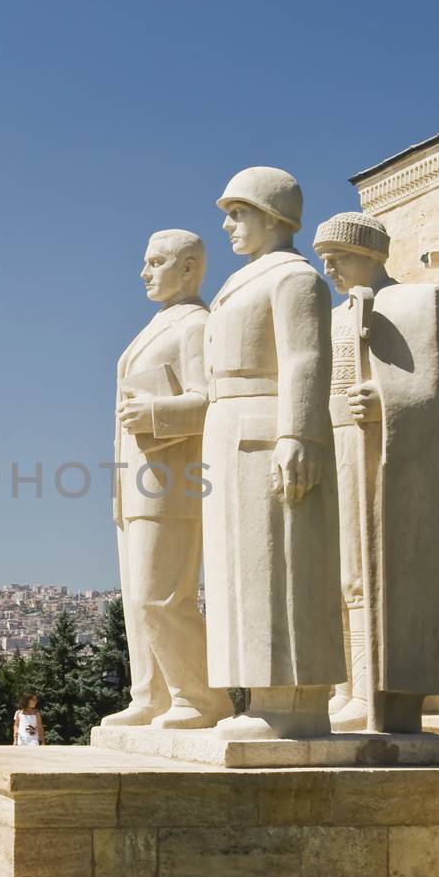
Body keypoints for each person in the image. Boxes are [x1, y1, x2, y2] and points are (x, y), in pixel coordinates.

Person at [202, 167, 346, 739]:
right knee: (242, 571)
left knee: (280, 566)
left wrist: (301, 434)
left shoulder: (295, 279)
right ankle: (259, 696)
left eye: (239, 213)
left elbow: (306, 359)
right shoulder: (245, 280)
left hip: (270, 427)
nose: (228, 225)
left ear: (272, 215)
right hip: (230, 427)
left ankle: (292, 704)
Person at [313, 211, 439, 733]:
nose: (329, 267)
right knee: (339, 570)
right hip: (334, 443)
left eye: (338, 256)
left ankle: (372, 689)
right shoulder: (332, 317)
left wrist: (384, 398)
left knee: (366, 571)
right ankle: (345, 688)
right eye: (324, 258)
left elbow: (432, 388)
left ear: (369, 254)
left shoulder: (411, 303)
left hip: (375, 447)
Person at [101, 230, 234, 731]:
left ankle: (201, 698)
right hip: (137, 480)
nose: (144, 272)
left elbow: (212, 400)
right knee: (138, 600)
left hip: (173, 478)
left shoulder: (197, 326)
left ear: (189, 268)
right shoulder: (157, 325)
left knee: (158, 596)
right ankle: (152, 694)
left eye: (156, 262)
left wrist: (155, 412)